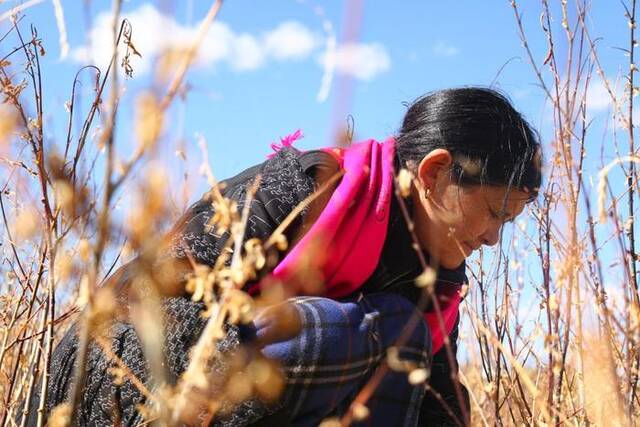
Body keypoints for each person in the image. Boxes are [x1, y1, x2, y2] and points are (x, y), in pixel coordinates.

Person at [23, 87, 541, 426]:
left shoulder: (437, 283)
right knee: (373, 331)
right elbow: (148, 305)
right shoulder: (307, 189)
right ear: (434, 173)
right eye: (494, 212)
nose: (494, 238)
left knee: (404, 344)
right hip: (121, 392)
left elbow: (437, 403)